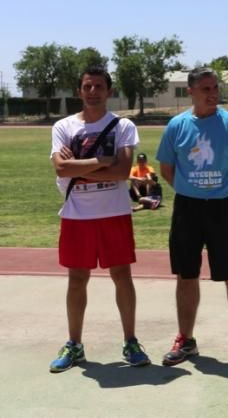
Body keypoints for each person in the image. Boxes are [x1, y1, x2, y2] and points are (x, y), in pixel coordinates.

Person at [156, 67, 228, 367]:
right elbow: (166, 169)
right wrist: (190, 189)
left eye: (215, 88)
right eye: (206, 89)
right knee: (186, 275)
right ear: (190, 91)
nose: (213, 93)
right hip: (187, 209)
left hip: (223, 209)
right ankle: (185, 340)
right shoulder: (176, 126)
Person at [48, 66, 151, 372]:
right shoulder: (63, 127)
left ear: (109, 91)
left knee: (122, 276)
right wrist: (99, 161)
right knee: (77, 279)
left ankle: (130, 341)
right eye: (87, 86)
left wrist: (79, 167)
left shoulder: (123, 126)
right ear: (79, 90)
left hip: (114, 213)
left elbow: (122, 172)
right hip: (77, 214)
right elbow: (60, 170)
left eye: (98, 86)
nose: (93, 91)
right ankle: (75, 344)